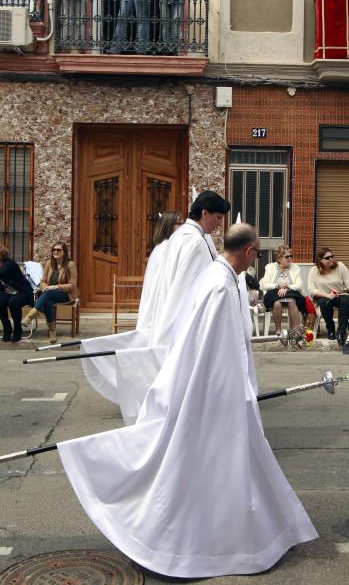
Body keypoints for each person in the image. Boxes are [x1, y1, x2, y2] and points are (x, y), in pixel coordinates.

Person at [58, 224, 318, 578]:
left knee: (239, 464)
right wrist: (230, 392)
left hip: (213, 388)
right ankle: (216, 543)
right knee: (211, 467)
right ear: (250, 253)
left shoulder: (215, 275)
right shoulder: (220, 287)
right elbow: (214, 347)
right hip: (214, 391)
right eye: (257, 253)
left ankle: (260, 533)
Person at [81, 190, 230, 425]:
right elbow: (190, 289)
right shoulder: (194, 242)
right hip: (184, 320)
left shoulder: (182, 236)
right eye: (218, 218)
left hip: (169, 315)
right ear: (204, 213)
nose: (219, 224)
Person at [22, 242, 79, 344]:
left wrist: (56, 286)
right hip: (50, 294)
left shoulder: (71, 265)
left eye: (58, 250)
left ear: (64, 252)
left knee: (48, 294)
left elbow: (72, 285)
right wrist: (46, 288)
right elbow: (43, 281)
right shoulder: (49, 263)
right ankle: (52, 331)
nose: (55, 252)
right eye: (54, 250)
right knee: (47, 300)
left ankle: (30, 316)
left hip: (66, 294)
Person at [137, 210, 184, 330]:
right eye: (179, 224)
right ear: (168, 226)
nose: (182, 227)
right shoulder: (165, 248)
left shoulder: (166, 246)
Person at [308, 247, 349, 344]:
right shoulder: (314, 271)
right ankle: (330, 329)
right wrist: (327, 295)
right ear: (320, 260)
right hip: (324, 295)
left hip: (341, 294)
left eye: (332, 256)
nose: (331, 259)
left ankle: (341, 332)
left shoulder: (340, 266)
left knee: (345, 301)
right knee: (324, 302)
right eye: (327, 258)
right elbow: (312, 290)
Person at [260, 246, 306, 335]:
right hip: (274, 295)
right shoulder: (270, 267)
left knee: (292, 301)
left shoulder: (295, 268)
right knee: (277, 303)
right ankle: (278, 330)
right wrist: (278, 286)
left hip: (291, 294)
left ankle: (297, 331)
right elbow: (264, 284)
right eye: (287, 256)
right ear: (279, 258)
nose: (290, 258)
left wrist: (287, 287)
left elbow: (299, 284)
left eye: (290, 256)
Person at [0, 245, 34, 343]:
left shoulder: (9, 263)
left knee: (13, 302)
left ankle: (18, 330)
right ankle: (7, 329)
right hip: (8, 292)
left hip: (23, 291)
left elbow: (2, 273)